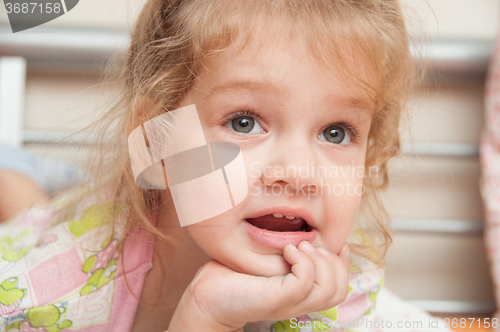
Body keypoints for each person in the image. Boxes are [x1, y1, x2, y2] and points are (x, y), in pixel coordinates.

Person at [0, 0, 452, 331]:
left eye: (336, 132)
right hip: (56, 240)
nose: (298, 173)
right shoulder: (41, 302)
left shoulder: (340, 292)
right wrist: (204, 316)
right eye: (244, 121)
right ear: (157, 141)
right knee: (29, 211)